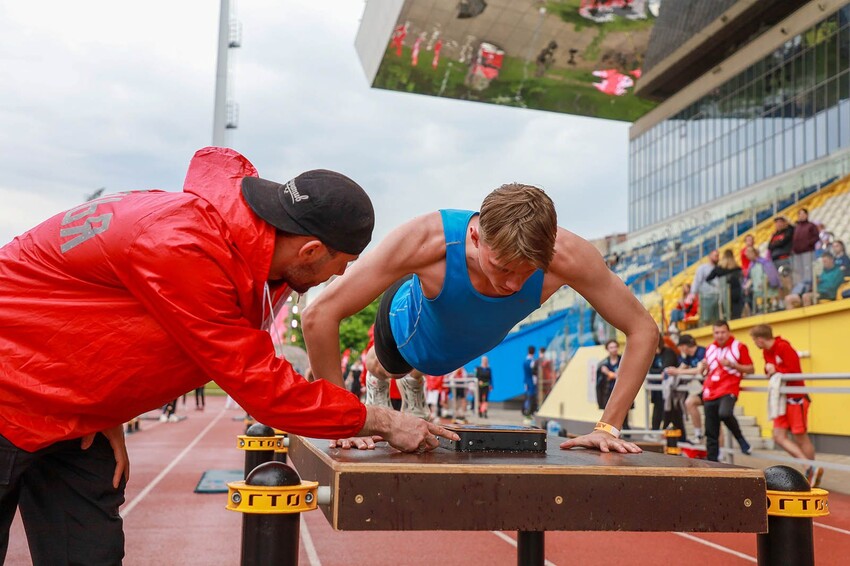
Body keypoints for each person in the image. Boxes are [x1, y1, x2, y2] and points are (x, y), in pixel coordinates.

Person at [0, 147, 458, 564]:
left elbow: (90, 314)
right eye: (342, 265)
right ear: (312, 249)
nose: (337, 276)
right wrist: (385, 420)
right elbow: (261, 385)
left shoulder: (250, 250)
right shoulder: (185, 244)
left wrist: (106, 409)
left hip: (70, 413)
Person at [302, 182, 657, 453]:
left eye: (528, 271)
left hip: (463, 339)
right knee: (390, 368)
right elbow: (319, 313)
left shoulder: (570, 257)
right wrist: (342, 421)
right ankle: (378, 376)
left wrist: (607, 427)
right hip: (407, 323)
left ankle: (413, 381)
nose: (513, 284)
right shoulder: (427, 238)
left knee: (419, 371)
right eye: (502, 268)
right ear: (474, 237)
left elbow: (642, 328)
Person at [749, 325, 822, 487]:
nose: (755, 343)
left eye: (754, 340)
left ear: (760, 339)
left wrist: (776, 369)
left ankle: (812, 470)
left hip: (796, 398)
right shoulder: (767, 352)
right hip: (781, 399)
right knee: (778, 436)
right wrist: (770, 370)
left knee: (800, 436)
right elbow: (772, 371)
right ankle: (809, 467)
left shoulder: (784, 347)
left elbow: (794, 370)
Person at [703, 320, 754, 461]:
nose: (720, 335)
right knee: (710, 431)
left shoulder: (739, 346)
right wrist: (702, 367)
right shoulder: (709, 348)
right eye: (717, 332)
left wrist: (733, 365)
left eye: (723, 332)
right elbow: (706, 370)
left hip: (729, 388)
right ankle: (711, 464)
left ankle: (741, 439)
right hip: (710, 390)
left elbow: (751, 368)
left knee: (725, 413)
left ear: (729, 332)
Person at [668, 334, 707, 443]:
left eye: (680, 347)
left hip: (713, 388)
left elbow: (698, 370)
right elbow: (681, 368)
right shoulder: (688, 357)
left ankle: (721, 453)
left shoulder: (701, 352)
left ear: (684, 346)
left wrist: (678, 371)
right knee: (689, 402)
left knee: (714, 420)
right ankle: (698, 433)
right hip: (705, 389)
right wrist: (672, 371)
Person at [648, 333, 679, 431]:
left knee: (669, 411)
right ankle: (655, 431)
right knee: (657, 409)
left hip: (669, 388)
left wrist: (659, 372)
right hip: (656, 387)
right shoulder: (652, 354)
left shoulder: (668, 352)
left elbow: (665, 369)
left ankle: (666, 431)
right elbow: (649, 369)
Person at [707, 249, 744, 320]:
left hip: (724, 292)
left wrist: (716, 286)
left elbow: (708, 279)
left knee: (726, 311)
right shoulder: (736, 268)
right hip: (736, 291)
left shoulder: (719, 268)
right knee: (736, 312)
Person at [691, 249, 720, 325]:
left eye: (718, 256)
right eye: (715, 256)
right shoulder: (703, 268)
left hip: (718, 296)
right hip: (706, 296)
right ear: (709, 256)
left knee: (717, 318)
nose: (717, 258)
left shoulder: (719, 268)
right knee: (706, 318)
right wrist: (693, 293)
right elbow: (697, 281)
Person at [522, 346, 538, 423]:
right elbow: (534, 373)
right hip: (531, 382)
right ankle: (528, 413)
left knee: (528, 398)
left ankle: (527, 412)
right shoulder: (531, 362)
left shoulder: (526, 361)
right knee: (530, 398)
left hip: (527, 382)